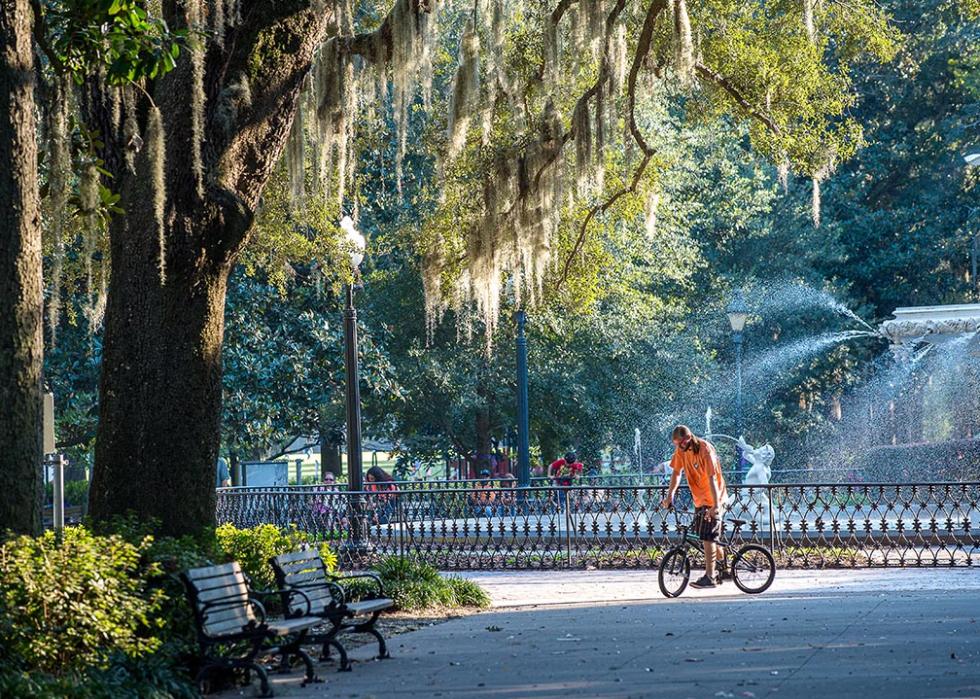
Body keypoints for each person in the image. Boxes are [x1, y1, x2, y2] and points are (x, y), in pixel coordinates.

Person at [660, 425, 729, 589]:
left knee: (708, 537)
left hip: (715, 499)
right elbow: (676, 473)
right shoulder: (681, 451)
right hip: (699, 500)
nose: (678, 447)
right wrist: (670, 496)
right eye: (676, 444)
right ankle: (724, 568)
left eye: (680, 444)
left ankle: (710, 577)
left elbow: (712, 478)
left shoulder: (705, 449)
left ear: (688, 438)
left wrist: (716, 506)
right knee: (708, 536)